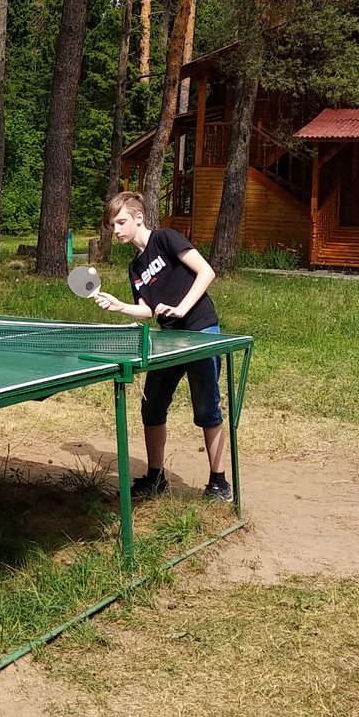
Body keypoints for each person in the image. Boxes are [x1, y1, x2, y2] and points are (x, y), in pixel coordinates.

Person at [91, 191, 230, 503]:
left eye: (121, 222)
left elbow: (206, 271)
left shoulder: (166, 238)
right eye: (112, 225)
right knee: (151, 406)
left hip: (200, 330)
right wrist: (120, 306)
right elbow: (147, 310)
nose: (116, 230)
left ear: (139, 218)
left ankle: (219, 483)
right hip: (167, 339)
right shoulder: (135, 268)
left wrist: (182, 308)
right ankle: (155, 478)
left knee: (207, 407)